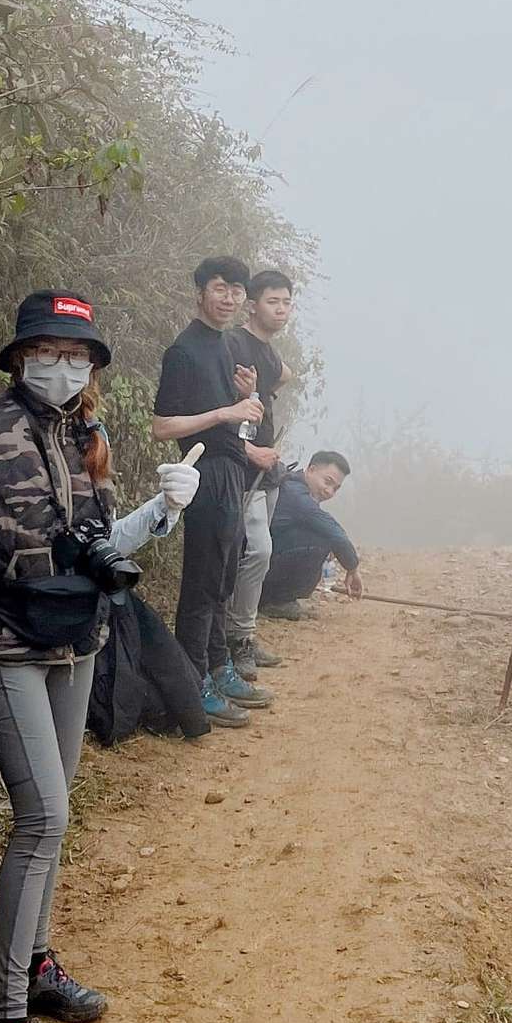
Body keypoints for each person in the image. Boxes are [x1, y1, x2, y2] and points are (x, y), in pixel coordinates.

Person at [0, 289, 202, 1023]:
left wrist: (162, 508)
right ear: (19, 355)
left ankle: (36, 965)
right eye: (50, 350)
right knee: (42, 818)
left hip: (77, 637)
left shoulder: (87, 434)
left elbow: (99, 545)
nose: (65, 364)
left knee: (58, 803)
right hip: (4, 638)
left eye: (79, 354)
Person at [151, 255, 269, 726]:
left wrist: (249, 397)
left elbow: (238, 415)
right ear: (200, 291)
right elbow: (162, 427)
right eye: (221, 288)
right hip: (202, 471)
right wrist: (225, 413)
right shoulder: (183, 350)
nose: (230, 298)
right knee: (202, 580)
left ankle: (218, 666)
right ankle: (192, 679)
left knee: (223, 575)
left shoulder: (225, 346)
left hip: (231, 470)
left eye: (238, 290)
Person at [225, 266, 294, 680]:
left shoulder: (267, 350)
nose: (282, 310)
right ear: (252, 305)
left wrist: (266, 388)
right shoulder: (235, 343)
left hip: (267, 467)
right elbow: (220, 404)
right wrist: (249, 451)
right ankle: (238, 639)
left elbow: (281, 376)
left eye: (287, 303)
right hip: (242, 464)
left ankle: (241, 633)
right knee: (258, 551)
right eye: (273, 301)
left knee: (255, 554)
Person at [259, 451, 360, 613]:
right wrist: (352, 568)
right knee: (323, 539)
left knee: (323, 535)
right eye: (328, 482)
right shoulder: (296, 495)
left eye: (336, 488)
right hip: (257, 571)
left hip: (263, 564)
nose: (330, 491)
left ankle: (275, 597)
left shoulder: (293, 485)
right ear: (311, 470)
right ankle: (275, 601)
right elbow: (334, 532)